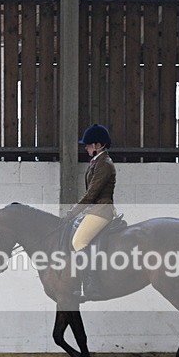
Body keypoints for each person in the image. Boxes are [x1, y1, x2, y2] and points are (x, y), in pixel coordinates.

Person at [65, 123, 117, 299]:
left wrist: (72, 212)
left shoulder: (105, 164)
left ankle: (91, 283)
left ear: (98, 145)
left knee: (78, 242)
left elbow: (91, 194)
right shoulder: (97, 162)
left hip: (102, 210)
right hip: (95, 210)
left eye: (88, 144)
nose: (85, 147)